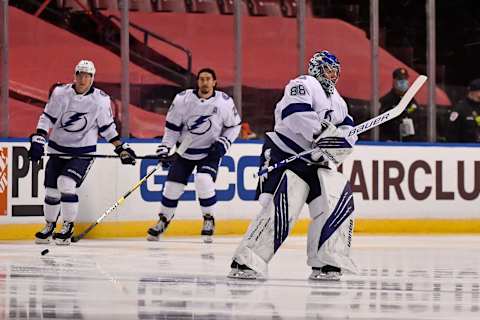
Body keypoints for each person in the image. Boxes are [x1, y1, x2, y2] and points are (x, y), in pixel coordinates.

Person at [227, 50, 358, 281]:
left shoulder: (337, 100)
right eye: (329, 69)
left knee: (333, 203)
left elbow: (348, 128)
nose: (333, 75)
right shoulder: (302, 84)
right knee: (281, 209)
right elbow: (295, 114)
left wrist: (343, 140)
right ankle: (246, 261)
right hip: (285, 154)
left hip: (316, 163)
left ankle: (327, 262)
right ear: (317, 68)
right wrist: (321, 134)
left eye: (336, 71)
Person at [29, 60, 137, 245]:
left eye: (87, 75)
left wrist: (120, 148)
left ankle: (68, 226)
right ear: (75, 75)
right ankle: (49, 225)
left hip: (82, 152)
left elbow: (107, 128)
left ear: (93, 78)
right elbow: (47, 118)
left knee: (66, 183)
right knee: (51, 191)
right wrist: (39, 138)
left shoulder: (100, 100)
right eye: (80, 74)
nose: (83, 78)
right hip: (57, 149)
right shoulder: (60, 93)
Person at [147, 68, 241, 243]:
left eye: (208, 79)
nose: (205, 82)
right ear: (197, 82)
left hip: (209, 153)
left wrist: (223, 143)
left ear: (215, 82)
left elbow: (234, 126)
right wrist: (165, 148)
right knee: (171, 187)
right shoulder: (183, 99)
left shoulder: (224, 102)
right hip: (184, 152)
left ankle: (208, 219)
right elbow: (172, 129)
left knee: (203, 180)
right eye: (201, 79)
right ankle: (163, 220)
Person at [379, 67, 419, 141]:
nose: (403, 82)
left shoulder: (411, 100)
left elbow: (418, 118)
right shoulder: (386, 100)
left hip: (410, 142)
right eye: (400, 80)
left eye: (405, 79)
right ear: (394, 81)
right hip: (391, 142)